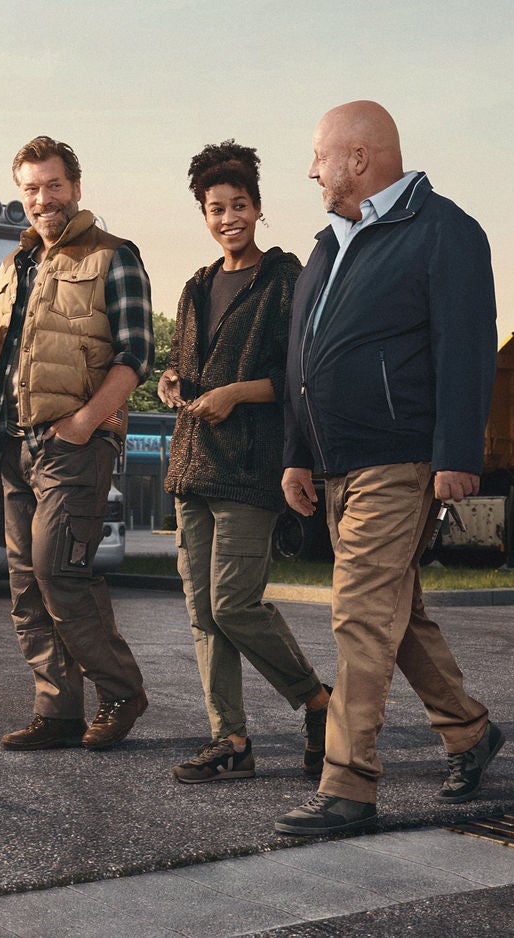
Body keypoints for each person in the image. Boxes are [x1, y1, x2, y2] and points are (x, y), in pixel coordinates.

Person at [272, 101, 505, 836]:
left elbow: (467, 345)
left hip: (397, 459)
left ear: (361, 157)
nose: (311, 170)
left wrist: (458, 456)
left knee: (360, 617)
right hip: (336, 462)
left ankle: (349, 786)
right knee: (397, 620)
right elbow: (300, 360)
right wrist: (296, 453)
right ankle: (470, 733)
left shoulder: (444, 232)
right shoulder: (328, 244)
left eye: (319, 155)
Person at [0, 136, 152, 752]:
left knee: (59, 572)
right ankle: (59, 711)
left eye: (53, 186)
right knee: (25, 583)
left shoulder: (114, 257)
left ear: (75, 186)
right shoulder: (14, 267)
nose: (43, 200)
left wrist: (85, 423)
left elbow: (135, 356)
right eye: (31, 189)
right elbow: (12, 364)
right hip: (14, 442)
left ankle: (120, 691)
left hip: (75, 445)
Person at [157, 141, 333, 784]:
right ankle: (229, 739)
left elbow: (297, 375)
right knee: (202, 613)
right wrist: (174, 379)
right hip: (191, 465)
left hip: (250, 468)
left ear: (258, 208)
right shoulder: (195, 286)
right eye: (214, 208)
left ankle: (318, 703)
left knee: (234, 604)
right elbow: (186, 362)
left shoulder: (283, 282)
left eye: (238, 205)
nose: (227, 217)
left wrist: (236, 393)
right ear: (203, 214)